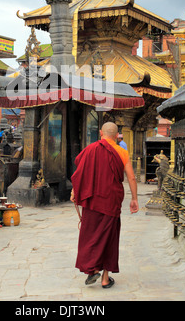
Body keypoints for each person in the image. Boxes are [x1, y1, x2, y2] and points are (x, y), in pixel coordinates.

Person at [70, 122, 139, 288]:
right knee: (110, 236)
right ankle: (105, 278)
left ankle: (92, 270)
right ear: (117, 136)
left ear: (101, 133)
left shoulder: (90, 149)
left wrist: (74, 191)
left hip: (92, 199)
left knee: (90, 233)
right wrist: (134, 198)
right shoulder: (122, 152)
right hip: (111, 200)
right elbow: (131, 177)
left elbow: (80, 172)